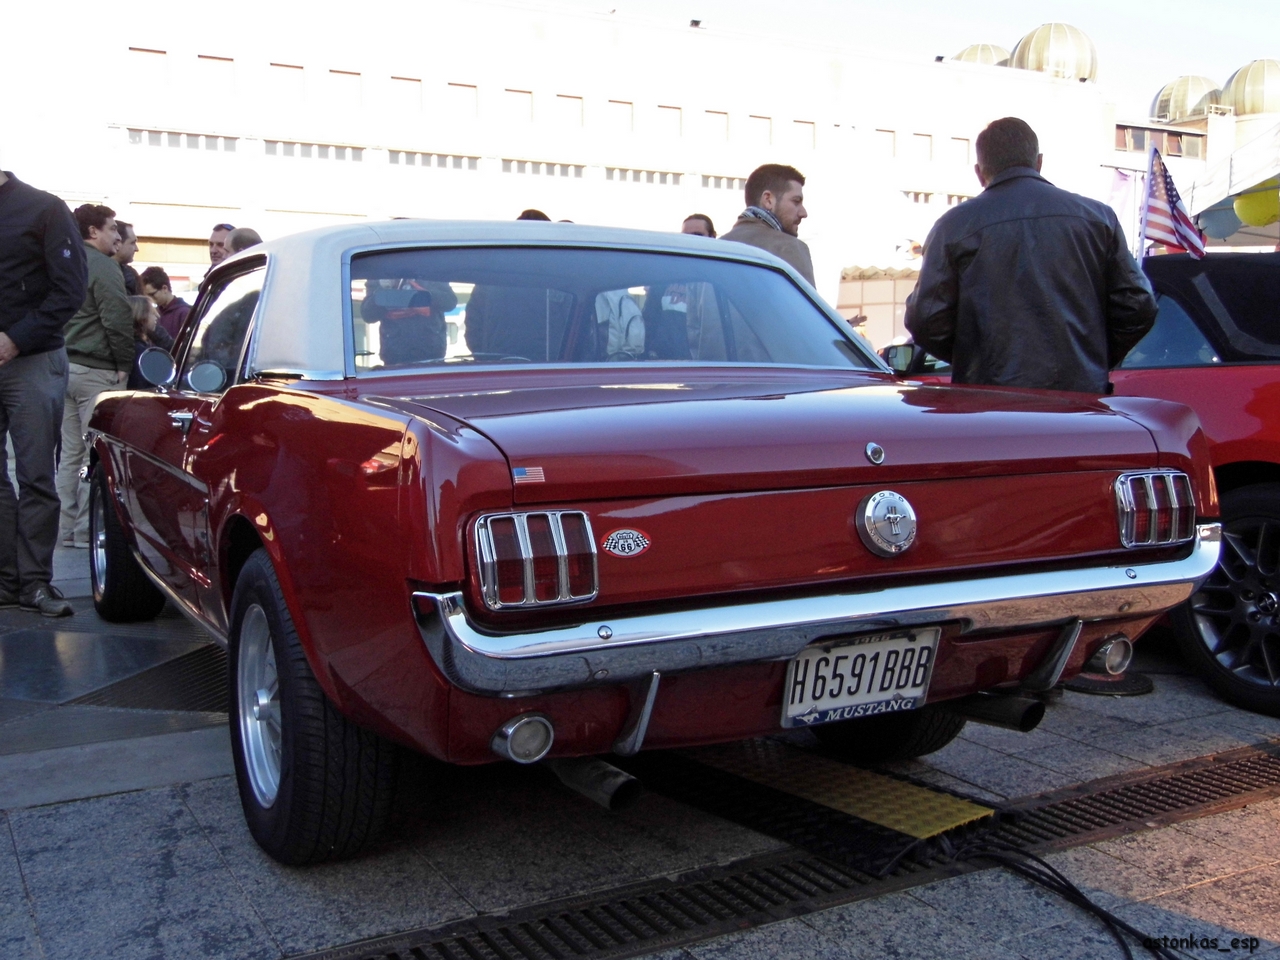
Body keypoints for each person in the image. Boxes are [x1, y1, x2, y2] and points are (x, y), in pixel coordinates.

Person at [905, 117, 1158, 394]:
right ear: (1039, 162)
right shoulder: (1097, 218)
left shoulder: (953, 226)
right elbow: (1138, 304)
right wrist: (1091, 356)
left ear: (979, 172)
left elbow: (926, 320)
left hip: (987, 400)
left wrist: (976, 360)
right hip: (1080, 397)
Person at [0, 171, 87, 617]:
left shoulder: (43, 208)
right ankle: (6, 579)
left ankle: (34, 581)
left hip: (32, 358)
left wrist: (16, 338)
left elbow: (70, 288)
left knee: (36, 473)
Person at [57, 204, 133, 551]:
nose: (117, 235)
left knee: (70, 455)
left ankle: (66, 529)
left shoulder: (65, 260)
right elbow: (116, 317)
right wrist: (124, 364)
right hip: (97, 371)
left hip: (65, 367)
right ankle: (88, 530)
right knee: (95, 455)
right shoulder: (103, 266)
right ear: (93, 231)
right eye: (112, 228)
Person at [721, 164, 815, 285]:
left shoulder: (717, 248)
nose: (803, 213)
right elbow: (803, 298)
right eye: (796, 201)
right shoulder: (790, 248)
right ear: (768, 200)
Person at [126, 294, 172, 389]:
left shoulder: (133, 345)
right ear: (141, 316)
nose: (157, 316)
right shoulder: (140, 351)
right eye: (152, 313)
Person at [139, 265, 190, 338]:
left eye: (152, 294)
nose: (150, 299)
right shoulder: (156, 311)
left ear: (165, 288)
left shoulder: (184, 313)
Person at [113, 219, 140, 294]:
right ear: (117, 243)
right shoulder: (101, 271)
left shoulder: (130, 274)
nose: (136, 249)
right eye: (132, 243)